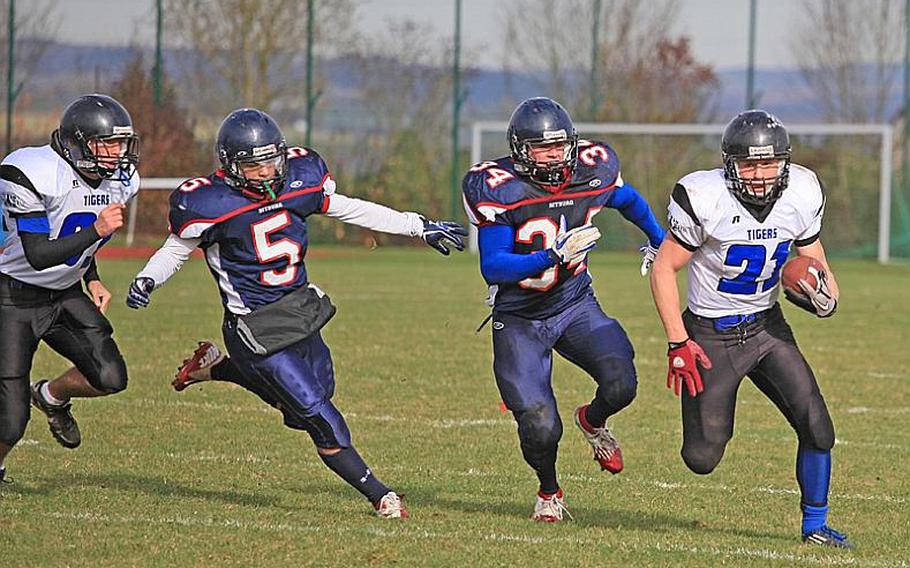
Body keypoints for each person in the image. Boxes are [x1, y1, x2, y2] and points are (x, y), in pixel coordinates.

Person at [125, 108, 467, 519]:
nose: (268, 171)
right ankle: (381, 496)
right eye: (255, 165)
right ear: (232, 168)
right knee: (325, 421)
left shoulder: (300, 179)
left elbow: (352, 209)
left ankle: (216, 368)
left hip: (299, 312)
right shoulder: (208, 203)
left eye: (272, 160)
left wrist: (417, 226)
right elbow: (176, 250)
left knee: (310, 401)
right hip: (253, 327)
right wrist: (148, 278)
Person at [649, 109, 852, 548]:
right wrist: (677, 341)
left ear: (785, 161)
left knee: (818, 428)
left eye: (769, 162)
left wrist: (827, 296)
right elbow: (664, 269)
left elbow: (811, 254)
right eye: (749, 163)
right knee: (702, 457)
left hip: (766, 327)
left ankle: (814, 525)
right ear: (729, 164)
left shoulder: (802, 190)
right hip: (710, 335)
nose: (760, 174)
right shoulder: (704, 196)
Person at [461, 97, 665, 522]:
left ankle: (592, 422)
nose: (554, 155)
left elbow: (628, 201)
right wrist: (553, 255)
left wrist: (658, 239)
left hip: (574, 303)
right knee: (539, 424)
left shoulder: (593, 168)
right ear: (521, 151)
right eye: (542, 148)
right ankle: (549, 491)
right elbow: (493, 266)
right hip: (520, 317)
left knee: (622, 382)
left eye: (560, 146)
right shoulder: (498, 186)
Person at [0, 94, 140, 482]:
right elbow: (39, 254)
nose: (117, 153)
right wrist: (97, 231)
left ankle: (51, 395)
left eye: (121, 143)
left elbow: (79, 233)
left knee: (110, 376)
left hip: (63, 293)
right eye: (107, 143)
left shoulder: (119, 181)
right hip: (12, 296)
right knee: (10, 421)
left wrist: (90, 275)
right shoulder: (32, 172)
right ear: (78, 143)